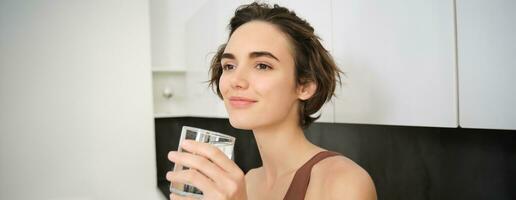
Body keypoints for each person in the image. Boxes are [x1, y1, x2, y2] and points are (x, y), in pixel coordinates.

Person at [166, 2, 377, 200]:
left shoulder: (343, 183)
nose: (236, 81)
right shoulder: (245, 182)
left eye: (262, 66)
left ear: (304, 86)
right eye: (229, 66)